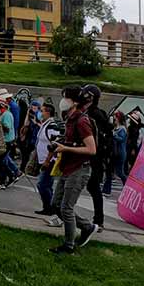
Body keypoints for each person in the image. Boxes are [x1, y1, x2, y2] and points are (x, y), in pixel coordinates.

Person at [48, 86, 98, 254]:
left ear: (75, 102)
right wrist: (60, 143)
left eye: (65, 97)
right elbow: (72, 141)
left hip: (79, 169)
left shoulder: (82, 121)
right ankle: (87, 227)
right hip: (68, 167)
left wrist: (65, 149)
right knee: (56, 205)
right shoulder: (70, 118)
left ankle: (69, 245)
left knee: (66, 208)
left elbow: (91, 149)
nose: (63, 100)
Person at [82, 84, 112, 230]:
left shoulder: (94, 115)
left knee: (91, 187)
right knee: (92, 188)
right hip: (93, 157)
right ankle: (98, 220)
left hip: (93, 158)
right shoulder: (93, 112)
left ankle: (98, 220)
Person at [0, 89, 20, 189]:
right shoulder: (4, 113)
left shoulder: (6, 114)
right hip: (4, 140)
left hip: (7, 141)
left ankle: (3, 180)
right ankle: (8, 176)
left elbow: (7, 128)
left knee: (0, 161)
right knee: (1, 161)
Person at [108, 111, 128, 189]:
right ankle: (107, 188)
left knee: (119, 172)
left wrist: (113, 135)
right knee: (111, 170)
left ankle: (126, 184)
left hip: (120, 152)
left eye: (115, 117)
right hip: (115, 152)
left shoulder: (122, 129)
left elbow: (121, 139)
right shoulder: (116, 128)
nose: (114, 119)